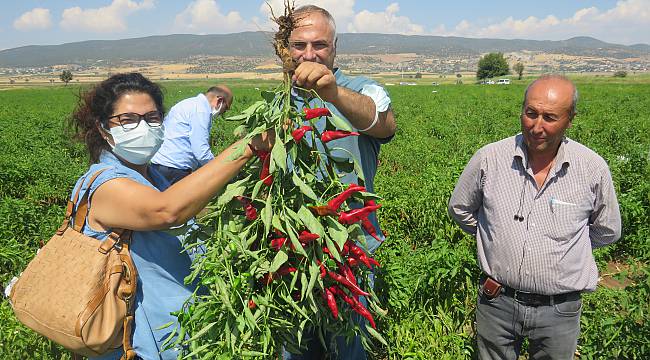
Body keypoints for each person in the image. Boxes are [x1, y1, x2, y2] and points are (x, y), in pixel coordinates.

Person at [68, 73, 271, 360]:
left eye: (152, 117)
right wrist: (247, 148)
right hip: (138, 345)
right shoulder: (104, 184)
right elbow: (167, 211)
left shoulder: (153, 179)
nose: (143, 127)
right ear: (104, 129)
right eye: (127, 120)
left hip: (180, 335)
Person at [448, 75, 621, 360]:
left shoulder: (591, 168)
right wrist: (494, 236)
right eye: (531, 114)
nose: (537, 126)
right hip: (497, 301)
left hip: (559, 310)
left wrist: (564, 252)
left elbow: (606, 230)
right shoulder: (490, 158)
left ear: (570, 119)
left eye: (549, 117)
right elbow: (460, 209)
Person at [284, 5, 397, 360]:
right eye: (299, 44)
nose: (309, 53)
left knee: (351, 345)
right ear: (286, 48)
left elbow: (383, 125)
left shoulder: (361, 90)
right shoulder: (280, 103)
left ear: (335, 47)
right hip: (293, 250)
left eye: (320, 44)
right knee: (296, 348)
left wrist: (333, 94)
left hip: (350, 250)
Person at [150, 85, 233, 184]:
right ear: (220, 101)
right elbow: (201, 151)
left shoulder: (190, 103)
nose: (223, 113)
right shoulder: (201, 110)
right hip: (174, 169)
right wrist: (221, 171)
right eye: (226, 108)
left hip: (161, 165)